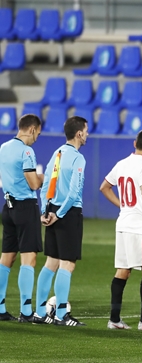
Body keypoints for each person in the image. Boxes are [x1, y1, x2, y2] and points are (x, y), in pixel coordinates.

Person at [99, 130, 142, 331]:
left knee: (123, 271)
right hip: (139, 226)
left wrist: (122, 205)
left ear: (135, 143)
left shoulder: (121, 164)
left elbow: (104, 187)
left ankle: (114, 319)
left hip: (123, 223)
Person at [37, 116, 89, 327]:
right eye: (85, 131)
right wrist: (61, 213)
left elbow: (45, 185)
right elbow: (74, 191)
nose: (87, 134)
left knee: (51, 262)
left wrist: (45, 211)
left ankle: (40, 312)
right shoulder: (78, 158)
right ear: (78, 134)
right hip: (68, 213)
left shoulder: (56, 153)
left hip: (52, 211)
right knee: (67, 264)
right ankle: (60, 315)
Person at [0, 114, 43, 322]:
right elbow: (34, 183)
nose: (37, 138)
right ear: (32, 129)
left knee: (7, 257)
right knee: (29, 258)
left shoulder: (4, 147)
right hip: (25, 207)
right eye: (38, 133)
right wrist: (46, 178)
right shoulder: (27, 151)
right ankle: (26, 311)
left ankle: (0, 307)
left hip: (7, 207)